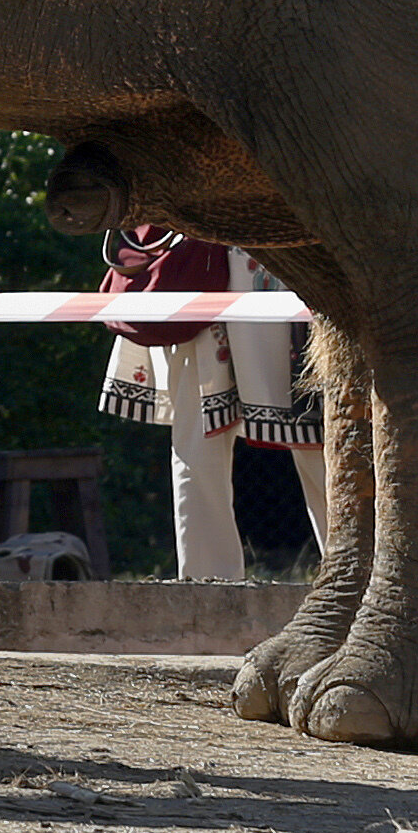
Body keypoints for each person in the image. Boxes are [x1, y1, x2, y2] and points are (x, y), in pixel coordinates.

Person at [100, 230, 332, 581]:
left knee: (318, 435)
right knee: (202, 442)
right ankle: (207, 585)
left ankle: (356, 573)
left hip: (273, 274)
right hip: (202, 271)